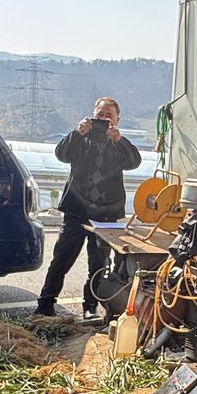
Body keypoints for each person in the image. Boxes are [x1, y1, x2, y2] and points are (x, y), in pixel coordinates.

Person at [35, 97, 140, 319]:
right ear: (93, 115)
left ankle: (90, 306)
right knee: (61, 259)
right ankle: (45, 304)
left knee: (99, 264)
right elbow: (61, 154)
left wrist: (119, 139)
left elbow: (134, 162)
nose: (103, 119)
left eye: (108, 115)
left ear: (117, 120)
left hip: (106, 215)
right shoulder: (81, 138)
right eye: (100, 114)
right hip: (76, 211)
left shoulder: (118, 143)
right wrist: (77, 132)